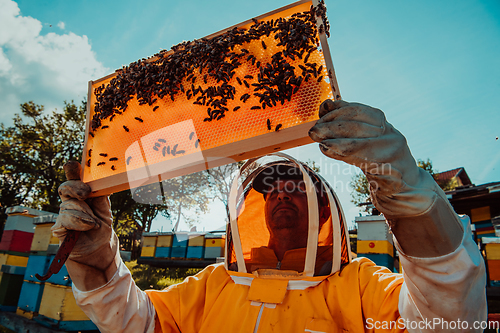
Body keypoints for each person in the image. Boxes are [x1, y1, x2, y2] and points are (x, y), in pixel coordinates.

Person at [53, 100, 487, 332]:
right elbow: (139, 326)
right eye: (271, 190)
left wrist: (407, 191)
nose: (282, 195)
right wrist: (97, 264)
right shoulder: (214, 284)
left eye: (296, 188)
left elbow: (448, 324)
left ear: (323, 210)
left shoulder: (358, 286)